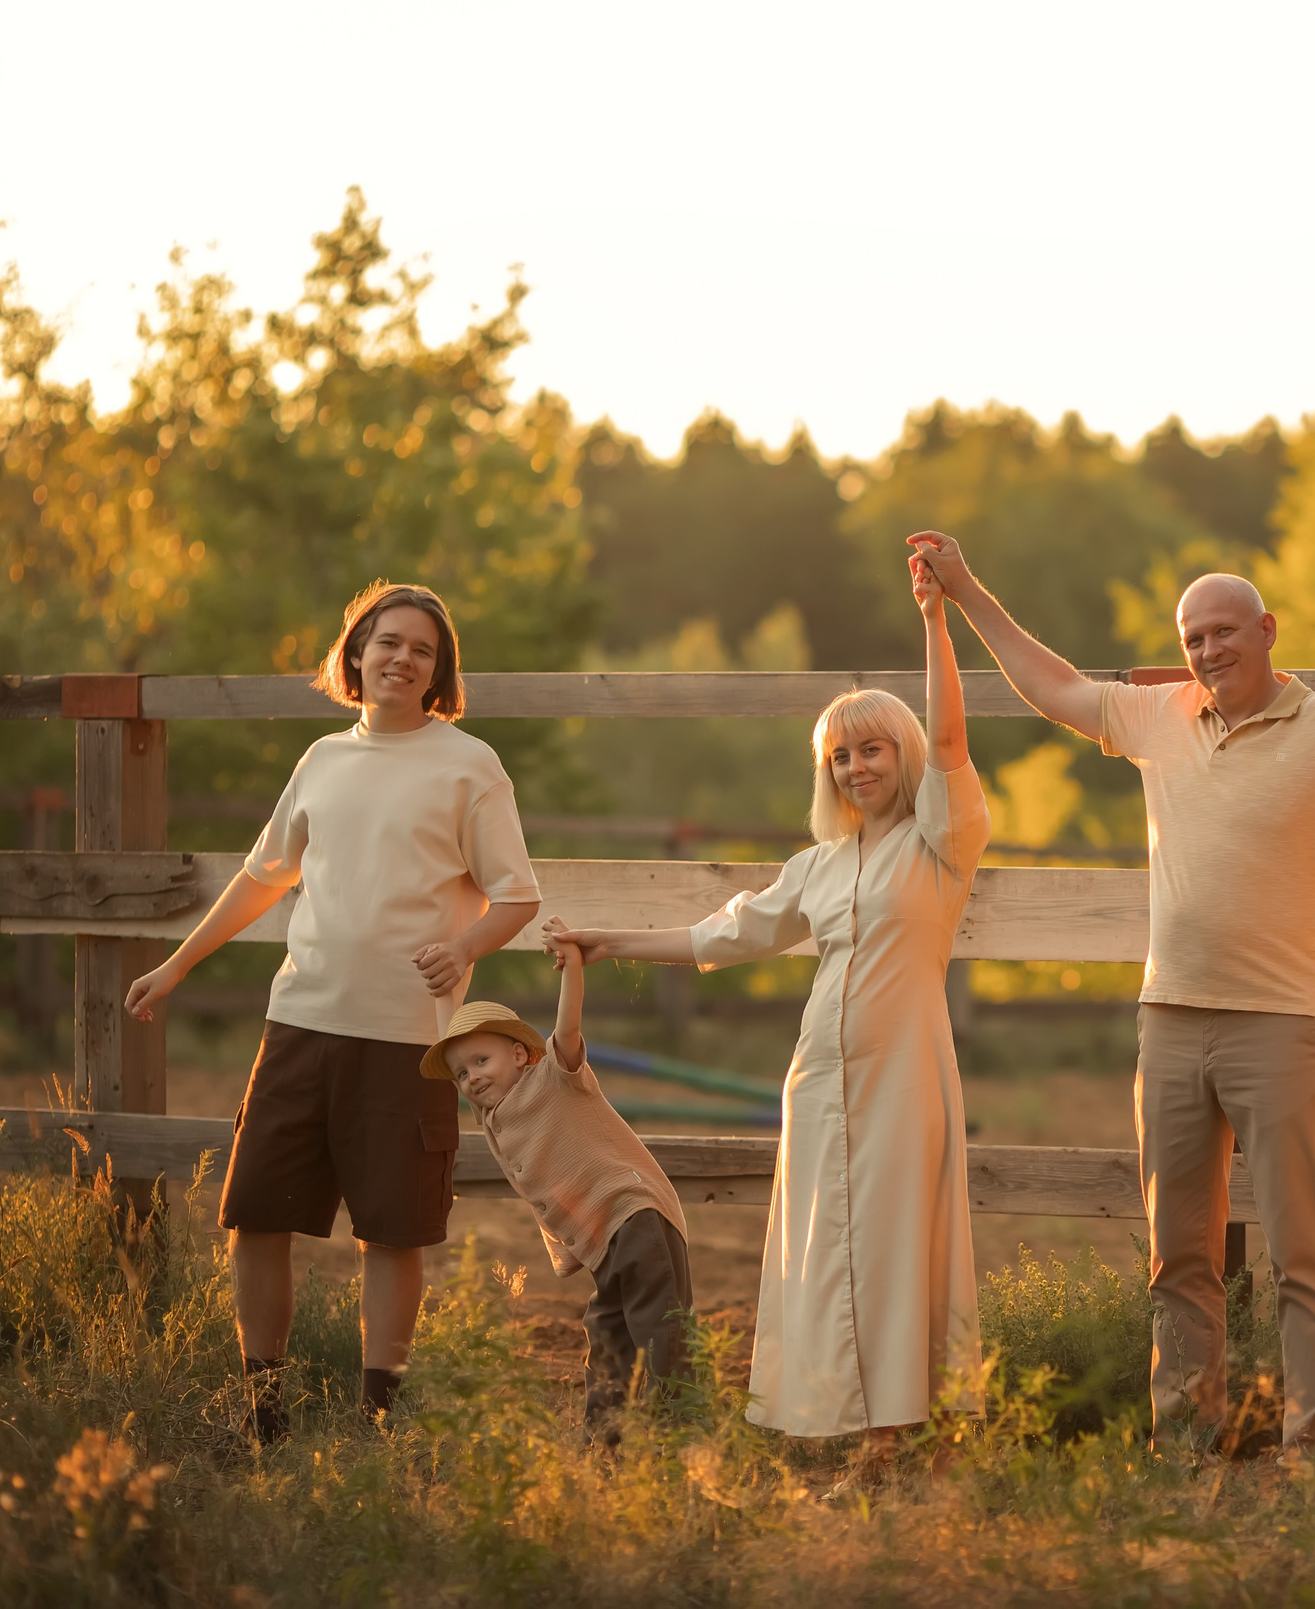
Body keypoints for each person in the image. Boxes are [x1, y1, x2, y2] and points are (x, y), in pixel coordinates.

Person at [904, 530, 1315, 1455]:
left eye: (1223, 631)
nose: (1208, 650)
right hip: (1171, 1019)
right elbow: (1052, 685)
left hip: (1285, 1024)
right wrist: (966, 587)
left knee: (1304, 1257)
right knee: (1178, 1257)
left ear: (1266, 629)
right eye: (1193, 638)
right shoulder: (1159, 716)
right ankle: (1184, 1447)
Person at [542, 552, 986, 1479]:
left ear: (903, 752)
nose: (856, 767)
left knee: (898, 1239)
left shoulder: (942, 839)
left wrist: (937, 619)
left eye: (872, 749)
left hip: (904, 1072)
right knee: (826, 1246)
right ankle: (844, 1420)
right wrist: (609, 941)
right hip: (817, 1079)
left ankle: (905, 1432)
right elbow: (725, 933)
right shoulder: (817, 866)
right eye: (840, 756)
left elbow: (950, 736)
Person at [124, 582, 542, 1442]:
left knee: (391, 1233)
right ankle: (262, 1412)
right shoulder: (321, 759)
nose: (402, 659)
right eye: (387, 642)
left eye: (422, 650)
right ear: (355, 653)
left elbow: (517, 895)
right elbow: (261, 876)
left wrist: (464, 947)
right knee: (255, 1216)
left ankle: (376, 1420)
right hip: (301, 1024)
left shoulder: (470, 764)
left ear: (439, 672)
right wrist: (176, 963)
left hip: (409, 1040)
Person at [424, 939, 691, 1441]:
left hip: (635, 1214)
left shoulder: (555, 1076)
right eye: (462, 1073)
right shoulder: (491, 1113)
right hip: (600, 1241)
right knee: (607, 1334)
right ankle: (604, 1443)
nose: (472, 1077)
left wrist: (571, 964)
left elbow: (567, 1025)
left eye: (481, 1061)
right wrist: (442, 991)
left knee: (660, 1332)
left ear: (519, 1054)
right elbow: (450, 1041)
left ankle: (680, 1438)